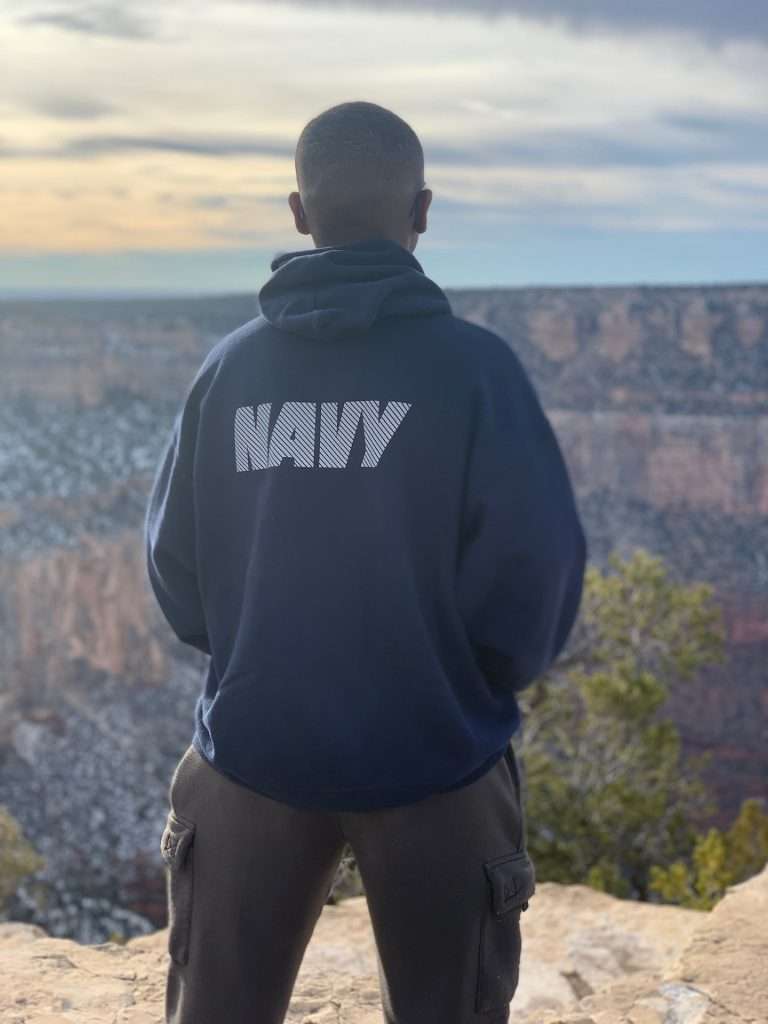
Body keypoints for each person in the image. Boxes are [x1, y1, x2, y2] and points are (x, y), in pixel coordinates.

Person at [145, 99, 588, 1024]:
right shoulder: (477, 373)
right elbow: (534, 584)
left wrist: (262, 654)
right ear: (421, 211)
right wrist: (458, 688)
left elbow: (177, 573)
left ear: (298, 213)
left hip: (251, 755)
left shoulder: (229, 373)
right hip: (435, 761)